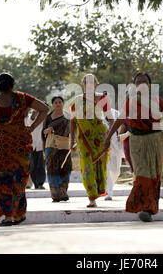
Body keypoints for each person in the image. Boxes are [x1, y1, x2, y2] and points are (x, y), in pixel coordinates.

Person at [0, 73, 49, 226]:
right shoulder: (22, 98)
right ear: (12, 84)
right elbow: (44, 109)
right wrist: (31, 127)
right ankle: (18, 214)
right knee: (18, 179)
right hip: (20, 145)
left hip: (0, 147)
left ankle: (7, 217)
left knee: (2, 180)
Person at [104, 72, 163, 222]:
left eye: (144, 82)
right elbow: (120, 119)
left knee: (154, 174)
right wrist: (108, 137)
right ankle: (142, 207)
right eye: (138, 82)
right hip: (136, 140)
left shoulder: (157, 100)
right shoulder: (130, 101)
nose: (141, 84)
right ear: (134, 86)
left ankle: (149, 208)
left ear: (149, 85)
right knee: (142, 172)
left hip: (155, 140)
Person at [69, 74, 114, 208]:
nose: (89, 84)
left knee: (100, 166)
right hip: (84, 139)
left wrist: (109, 136)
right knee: (87, 167)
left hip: (100, 138)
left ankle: (99, 190)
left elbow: (110, 119)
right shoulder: (77, 100)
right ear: (82, 84)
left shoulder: (102, 98)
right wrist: (71, 142)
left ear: (96, 84)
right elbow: (72, 122)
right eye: (86, 82)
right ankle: (91, 198)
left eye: (92, 82)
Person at [42, 96, 72, 202]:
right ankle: (55, 193)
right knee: (52, 169)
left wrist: (73, 143)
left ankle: (63, 191)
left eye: (60, 102)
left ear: (63, 103)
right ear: (52, 104)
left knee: (66, 168)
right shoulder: (48, 117)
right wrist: (48, 130)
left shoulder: (68, 116)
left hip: (65, 146)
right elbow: (43, 133)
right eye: (55, 102)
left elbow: (73, 130)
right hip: (51, 145)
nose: (58, 104)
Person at [104, 108, 125, 200]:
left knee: (116, 171)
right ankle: (109, 192)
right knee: (107, 168)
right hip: (103, 145)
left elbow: (123, 125)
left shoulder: (116, 113)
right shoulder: (96, 113)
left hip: (116, 145)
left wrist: (120, 136)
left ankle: (110, 185)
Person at [26, 109, 46, 189]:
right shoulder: (31, 116)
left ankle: (40, 183)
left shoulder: (45, 118)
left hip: (41, 145)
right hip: (32, 145)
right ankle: (35, 183)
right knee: (32, 166)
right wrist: (35, 113)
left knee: (41, 165)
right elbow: (31, 121)